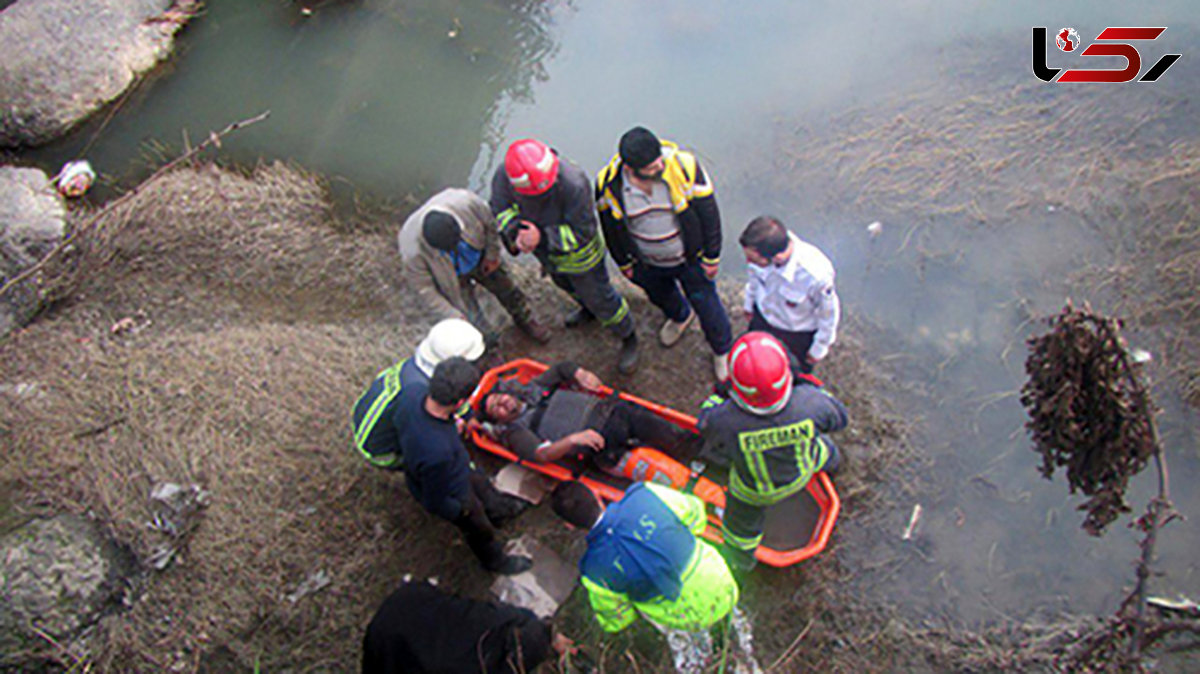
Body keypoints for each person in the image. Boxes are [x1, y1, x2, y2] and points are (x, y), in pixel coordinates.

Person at [551, 480, 762, 674]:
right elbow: (696, 515)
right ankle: (742, 647)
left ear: (568, 526)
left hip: (682, 618)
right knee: (729, 614)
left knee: (691, 654)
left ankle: (706, 664)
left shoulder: (594, 571)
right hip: (719, 582)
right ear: (597, 495)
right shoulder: (646, 494)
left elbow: (617, 620)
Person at [698, 332, 848, 574]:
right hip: (804, 468)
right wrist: (808, 388)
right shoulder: (811, 402)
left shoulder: (724, 420)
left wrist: (717, 397)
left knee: (740, 526)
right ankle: (834, 465)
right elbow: (840, 418)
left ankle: (742, 560)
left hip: (755, 491)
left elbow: (704, 423)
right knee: (825, 449)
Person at [490, 138, 640, 374]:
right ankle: (587, 309)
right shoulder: (506, 175)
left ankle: (628, 336)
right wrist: (514, 230)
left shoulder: (574, 183)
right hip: (548, 257)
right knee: (567, 287)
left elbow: (583, 232)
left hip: (582, 259)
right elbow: (500, 208)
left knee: (602, 299)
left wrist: (542, 238)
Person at [596, 127, 733, 381]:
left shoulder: (684, 166)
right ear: (630, 168)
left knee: (708, 304)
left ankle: (722, 350)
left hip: (688, 259)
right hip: (647, 262)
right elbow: (609, 226)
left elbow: (709, 214)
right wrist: (623, 262)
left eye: (659, 159)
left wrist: (712, 256)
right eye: (650, 166)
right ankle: (680, 315)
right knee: (659, 294)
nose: (659, 165)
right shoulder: (608, 183)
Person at [394, 357, 531, 574]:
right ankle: (495, 561)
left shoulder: (411, 393)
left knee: (482, 484)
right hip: (453, 492)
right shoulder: (438, 452)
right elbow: (434, 500)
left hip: (456, 467)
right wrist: (461, 512)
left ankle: (500, 510)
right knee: (479, 528)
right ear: (459, 403)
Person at [478, 360, 698, 474]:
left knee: (675, 437)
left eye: (498, 397)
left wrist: (579, 374)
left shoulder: (534, 389)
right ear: (499, 420)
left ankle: (706, 455)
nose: (502, 403)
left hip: (615, 414)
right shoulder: (516, 432)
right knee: (661, 471)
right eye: (495, 408)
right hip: (601, 447)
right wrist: (573, 440)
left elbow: (562, 369)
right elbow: (541, 455)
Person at [398, 188, 550, 344]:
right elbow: (425, 291)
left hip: (480, 256)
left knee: (507, 288)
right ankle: (488, 346)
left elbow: (491, 225)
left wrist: (492, 255)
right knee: (470, 315)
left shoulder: (467, 203)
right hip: (451, 276)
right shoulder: (412, 251)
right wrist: (452, 314)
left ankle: (525, 318)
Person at [362, 577, 576, 673]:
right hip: (395, 640)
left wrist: (548, 635)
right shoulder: (480, 663)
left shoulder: (486, 621)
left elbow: (513, 616)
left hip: (398, 616)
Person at [740, 215, 840, 373]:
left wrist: (819, 348)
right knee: (755, 366)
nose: (748, 262)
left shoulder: (815, 275)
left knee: (793, 374)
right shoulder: (763, 254)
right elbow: (754, 281)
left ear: (777, 258)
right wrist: (749, 305)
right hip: (763, 321)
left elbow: (828, 315)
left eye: (753, 259)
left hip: (796, 335)